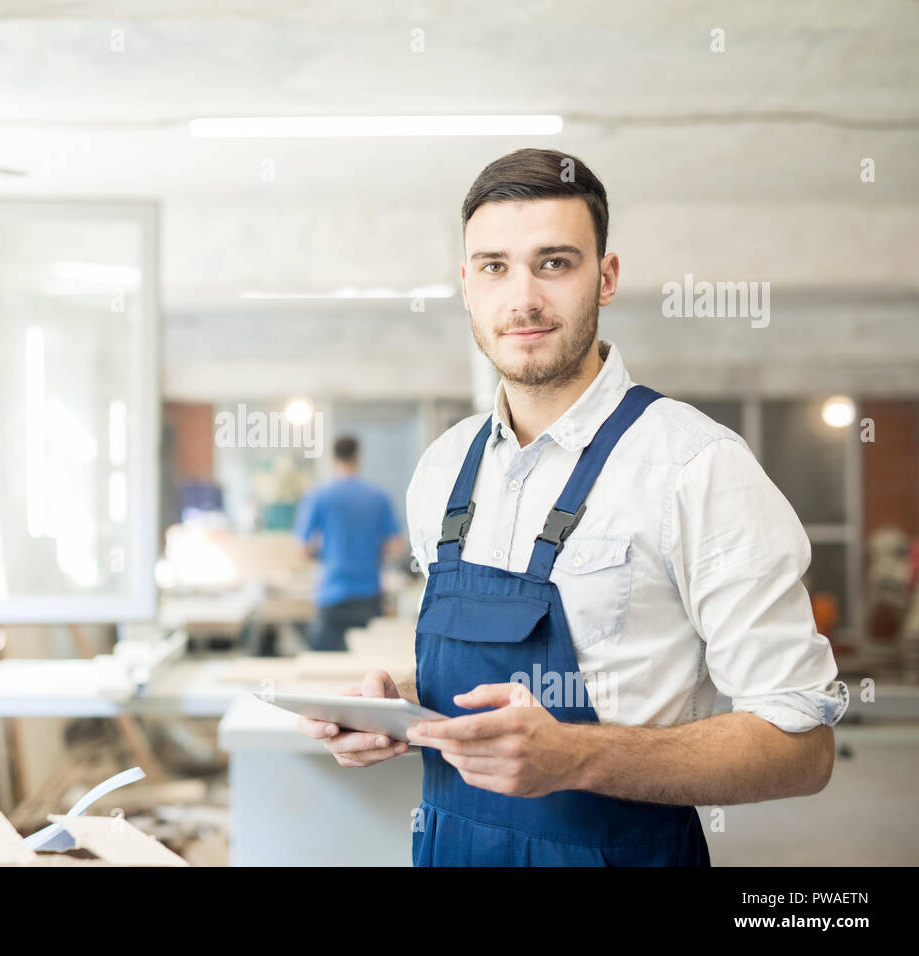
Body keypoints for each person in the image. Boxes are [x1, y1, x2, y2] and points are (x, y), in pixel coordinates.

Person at [296, 147, 848, 866]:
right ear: (466, 284)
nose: (521, 297)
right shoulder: (441, 470)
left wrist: (578, 759)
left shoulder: (695, 466)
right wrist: (396, 706)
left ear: (606, 277)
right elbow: (478, 683)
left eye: (554, 262)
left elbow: (802, 749)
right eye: (494, 267)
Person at [293, 436, 405, 652]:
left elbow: (302, 548)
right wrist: (371, 555)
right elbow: (396, 544)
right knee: (367, 670)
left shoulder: (319, 496)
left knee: (326, 668)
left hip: (332, 594)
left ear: (333, 459)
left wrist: (326, 554)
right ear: (359, 457)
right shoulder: (378, 496)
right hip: (368, 594)